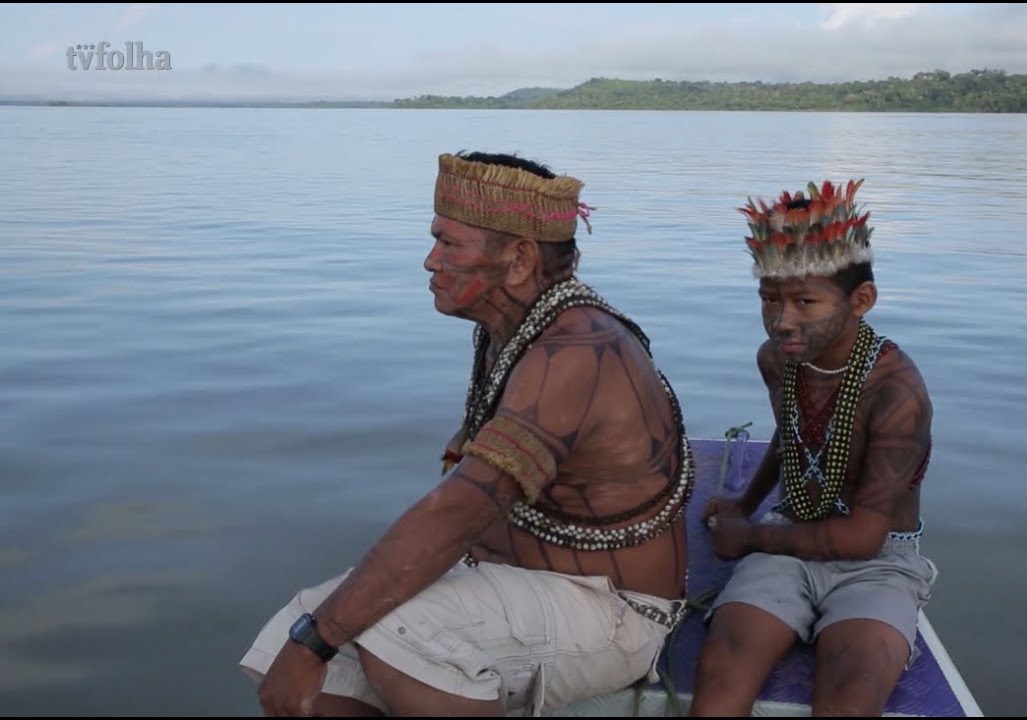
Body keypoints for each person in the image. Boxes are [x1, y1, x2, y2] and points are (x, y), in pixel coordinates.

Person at [239, 151, 695, 717]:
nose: (430, 261)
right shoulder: (512, 330)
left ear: (520, 258)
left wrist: (319, 638)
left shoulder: (576, 349)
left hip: (616, 613)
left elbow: (459, 508)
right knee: (289, 631)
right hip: (518, 581)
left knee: (387, 632)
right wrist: (311, 637)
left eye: (449, 244)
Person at [689, 179, 938, 717]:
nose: (783, 320)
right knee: (720, 677)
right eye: (770, 299)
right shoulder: (778, 359)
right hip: (789, 528)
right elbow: (792, 433)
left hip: (877, 559)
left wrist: (749, 536)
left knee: (851, 695)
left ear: (861, 301)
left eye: (806, 301)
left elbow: (862, 537)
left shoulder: (896, 392)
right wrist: (745, 505)